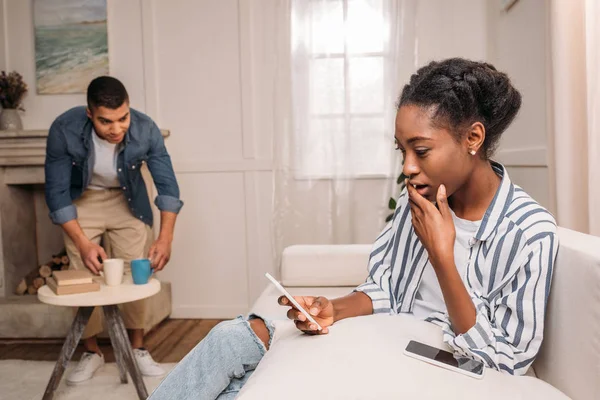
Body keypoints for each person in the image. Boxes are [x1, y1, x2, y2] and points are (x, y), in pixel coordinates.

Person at [149, 58, 558, 399]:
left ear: (473, 137)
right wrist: (333, 309)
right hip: (385, 341)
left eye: (421, 150)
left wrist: (443, 258)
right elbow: (385, 288)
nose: (407, 168)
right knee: (234, 337)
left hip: (439, 370)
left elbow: (505, 361)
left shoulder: (529, 232)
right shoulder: (421, 200)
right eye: (402, 151)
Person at [44, 76, 184, 384]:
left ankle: (137, 348)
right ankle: (92, 351)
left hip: (128, 198)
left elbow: (167, 185)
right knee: (84, 271)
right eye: (107, 121)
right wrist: (82, 242)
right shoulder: (63, 129)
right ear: (90, 114)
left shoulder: (146, 129)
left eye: (123, 118)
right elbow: (56, 193)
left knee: (138, 269)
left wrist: (165, 237)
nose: (117, 128)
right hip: (83, 200)